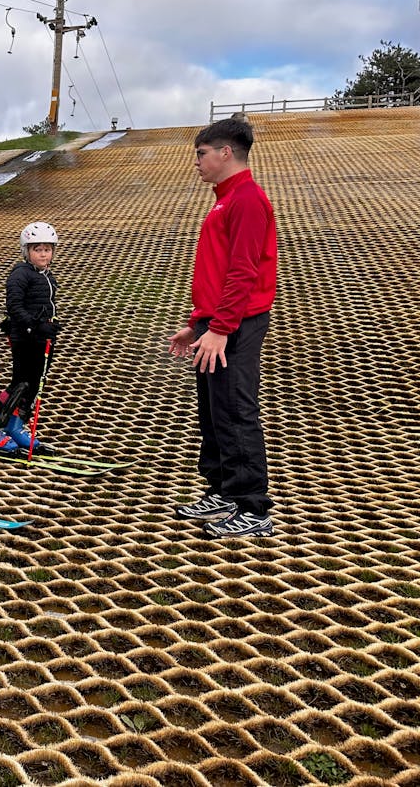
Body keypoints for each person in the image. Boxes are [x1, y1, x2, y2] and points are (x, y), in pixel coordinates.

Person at [169, 117, 277, 538]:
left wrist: (222, 328)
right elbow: (216, 273)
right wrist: (199, 325)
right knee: (213, 411)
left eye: (201, 154)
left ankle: (253, 507)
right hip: (217, 324)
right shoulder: (223, 200)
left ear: (225, 153)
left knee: (235, 409)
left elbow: (243, 272)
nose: (197, 162)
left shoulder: (247, 199)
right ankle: (223, 491)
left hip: (238, 324)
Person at [0, 221, 62, 453]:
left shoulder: (46, 275)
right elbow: (14, 307)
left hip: (41, 337)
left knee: (34, 385)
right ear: (27, 251)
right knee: (21, 383)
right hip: (25, 337)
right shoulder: (21, 274)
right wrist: (35, 326)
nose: (43, 254)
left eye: (47, 249)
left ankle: (15, 427)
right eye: (37, 249)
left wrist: (51, 324)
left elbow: (45, 305)